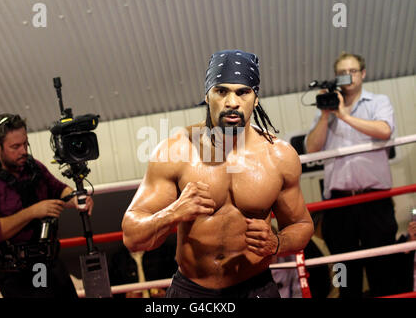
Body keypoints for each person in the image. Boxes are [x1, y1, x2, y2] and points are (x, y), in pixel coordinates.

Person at [122, 49, 314, 298]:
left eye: (242, 92)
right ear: (207, 95)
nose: (232, 102)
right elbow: (132, 236)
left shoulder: (279, 156)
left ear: (256, 98)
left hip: (255, 288)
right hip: (192, 291)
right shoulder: (176, 150)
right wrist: (173, 213)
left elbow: (301, 224)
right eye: (221, 91)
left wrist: (277, 244)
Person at [0, 113, 94, 298]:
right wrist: (33, 212)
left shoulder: (31, 165)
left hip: (49, 263)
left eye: (25, 143)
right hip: (16, 275)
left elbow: (58, 189)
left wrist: (75, 198)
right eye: (15, 147)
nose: (23, 151)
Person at [305, 52, 398, 297]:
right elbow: (311, 149)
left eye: (353, 71)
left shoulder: (378, 102)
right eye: (342, 73)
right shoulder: (326, 108)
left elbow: (384, 130)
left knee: (383, 268)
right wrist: (326, 115)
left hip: (374, 201)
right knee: (344, 271)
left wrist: (345, 115)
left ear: (363, 73)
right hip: (339, 204)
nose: (348, 76)